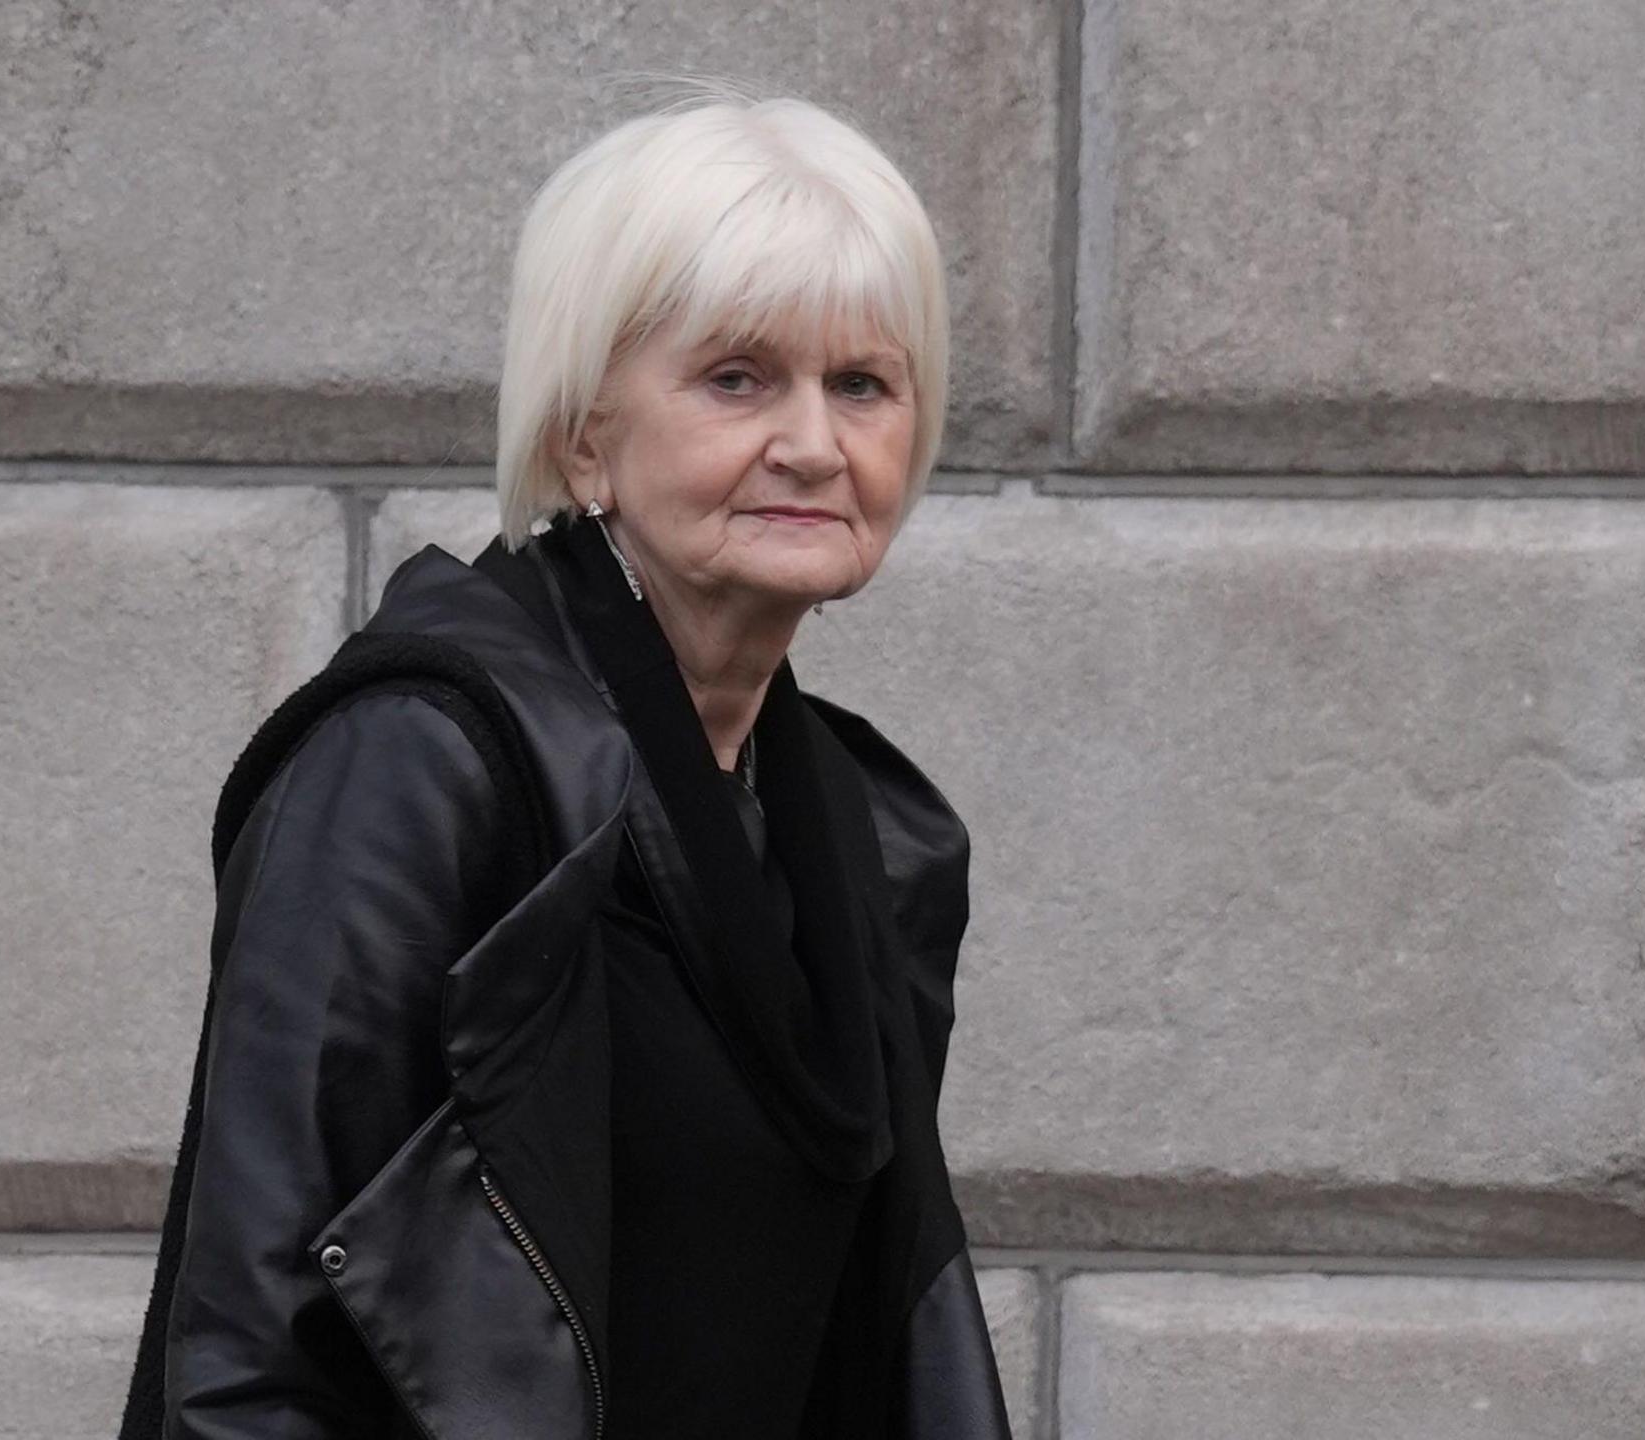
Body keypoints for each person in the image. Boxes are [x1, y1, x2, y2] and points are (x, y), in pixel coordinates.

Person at [120, 83, 1010, 1440]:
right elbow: (245, 1356)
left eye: (864, 385)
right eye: (736, 378)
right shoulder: (417, 767)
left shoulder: (856, 834)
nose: (816, 445)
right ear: (584, 433)